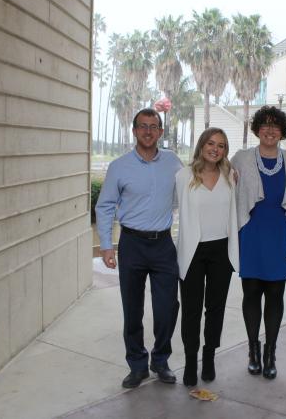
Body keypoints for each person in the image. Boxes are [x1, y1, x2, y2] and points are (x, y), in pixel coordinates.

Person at [95, 108, 182, 388]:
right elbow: (105, 206)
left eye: (153, 126)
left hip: (163, 245)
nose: (148, 131)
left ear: (160, 132)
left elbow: (196, 186)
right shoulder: (119, 166)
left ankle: (160, 360)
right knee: (132, 309)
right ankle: (137, 364)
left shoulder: (173, 162)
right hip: (132, 244)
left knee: (167, 307)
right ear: (134, 131)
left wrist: (231, 174)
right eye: (142, 126)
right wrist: (107, 247)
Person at [231, 105, 286, 380]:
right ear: (257, 128)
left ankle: (271, 352)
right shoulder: (241, 158)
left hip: (279, 235)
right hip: (250, 234)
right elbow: (225, 183)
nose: (270, 130)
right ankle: (253, 351)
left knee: (275, 296)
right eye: (265, 125)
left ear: (282, 131)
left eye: (275, 125)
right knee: (251, 295)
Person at [175, 128, 239, 387]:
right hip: (193, 250)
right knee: (191, 310)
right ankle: (191, 360)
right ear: (202, 146)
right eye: (211, 143)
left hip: (221, 250)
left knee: (215, 308)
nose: (215, 149)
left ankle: (209, 356)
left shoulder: (230, 176)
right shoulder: (183, 176)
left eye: (221, 145)